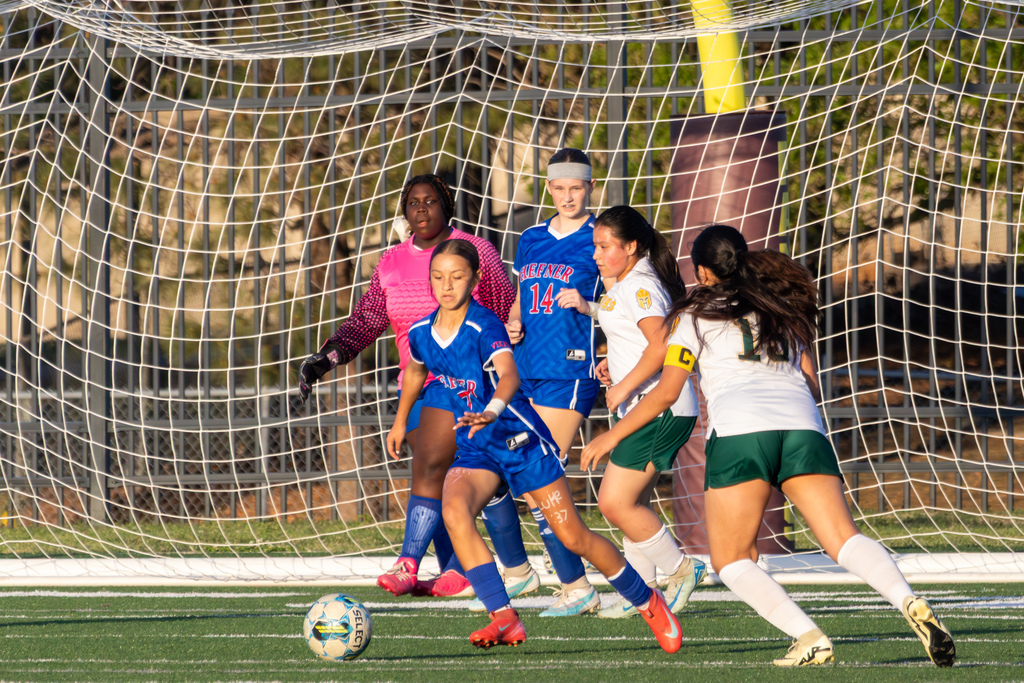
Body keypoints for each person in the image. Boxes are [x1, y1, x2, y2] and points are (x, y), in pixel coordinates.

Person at [582, 224, 956, 667]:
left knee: (732, 560)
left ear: (702, 272)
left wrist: (611, 433)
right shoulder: (782, 308)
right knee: (843, 539)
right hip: (802, 427)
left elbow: (665, 393)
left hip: (741, 433)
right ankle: (907, 599)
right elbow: (812, 381)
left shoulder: (692, 315)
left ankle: (809, 636)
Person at [387, 239, 684, 652]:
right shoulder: (422, 332)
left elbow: (508, 376)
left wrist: (491, 411)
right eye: (438, 277)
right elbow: (417, 371)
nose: (446, 285)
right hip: (477, 447)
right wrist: (402, 420)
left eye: (457, 277)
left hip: (520, 440)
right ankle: (504, 618)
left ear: (474, 280)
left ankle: (649, 602)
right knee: (454, 510)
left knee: (574, 536)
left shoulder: (485, 325)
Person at [296, 174, 515, 598]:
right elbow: (367, 320)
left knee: (435, 466)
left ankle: (410, 562)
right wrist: (327, 358)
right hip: (414, 385)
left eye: (430, 201)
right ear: (403, 210)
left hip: (471, 385)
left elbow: (506, 310)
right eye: (412, 202)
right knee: (441, 476)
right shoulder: (392, 262)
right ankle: (459, 570)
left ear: (446, 206)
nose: (421, 209)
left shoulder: (477, 252)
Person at [472, 148, 603, 617]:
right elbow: (521, 299)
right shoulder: (529, 237)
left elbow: (626, 300)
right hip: (524, 369)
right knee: (495, 463)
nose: (569, 196)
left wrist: (590, 307)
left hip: (569, 371)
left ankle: (577, 586)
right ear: (549, 188)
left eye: (577, 187)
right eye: (560, 188)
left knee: (539, 475)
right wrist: (511, 322)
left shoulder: (600, 236)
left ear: (590, 187)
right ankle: (518, 572)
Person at [567, 205, 706, 619]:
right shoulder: (627, 281)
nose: (596, 254)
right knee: (634, 502)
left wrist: (627, 384)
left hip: (658, 407)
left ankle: (682, 569)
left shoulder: (638, 285)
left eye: (604, 246)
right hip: (643, 405)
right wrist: (617, 363)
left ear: (631, 246)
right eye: (595, 245)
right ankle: (643, 594)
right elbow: (635, 335)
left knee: (614, 502)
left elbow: (662, 343)